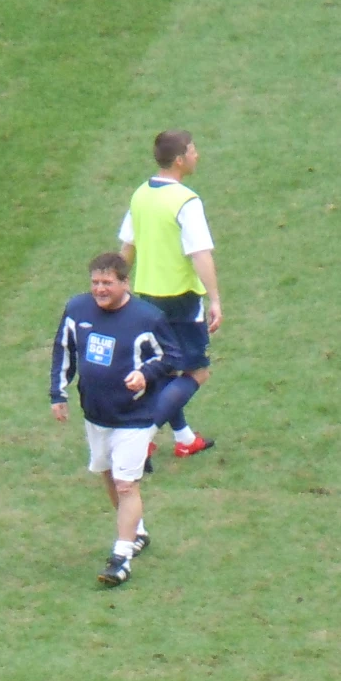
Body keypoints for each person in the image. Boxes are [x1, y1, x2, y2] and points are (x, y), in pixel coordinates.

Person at [51, 252, 171, 587]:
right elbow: (64, 350)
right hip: (96, 414)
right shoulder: (77, 310)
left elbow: (170, 357)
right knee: (106, 472)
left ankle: (121, 558)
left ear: (124, 283)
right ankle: (138, 531)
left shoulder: (148, 318)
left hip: (135, 416)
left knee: (125, 483)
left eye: (107, 283)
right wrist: (58, 394)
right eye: (95, 283)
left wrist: (145, 375)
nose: (100, 289)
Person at [118, 130, 221, 459]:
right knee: (196, 372)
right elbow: (200, 254)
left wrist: (116, 288)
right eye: (192, 150)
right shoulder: (186, 201)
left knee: (164, 369)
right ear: (179, 159)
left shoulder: (140, 195)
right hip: (180, 297)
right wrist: (215, 299)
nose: (197, 155)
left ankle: (185, 438)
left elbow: (127, 247)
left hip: (146, 296)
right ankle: (143, 433)